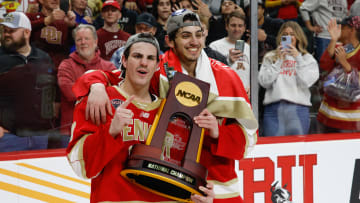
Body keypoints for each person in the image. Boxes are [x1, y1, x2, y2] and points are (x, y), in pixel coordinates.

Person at [72, 9, 258, 202]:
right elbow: (118, 77)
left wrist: (217, 132)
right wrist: (95, 86)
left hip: (217, 190)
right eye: (185, 35)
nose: (194, 42)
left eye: (198, 35)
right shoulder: (156, 69)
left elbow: (250, 138)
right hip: (168, 186)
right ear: (169, 41)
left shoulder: (229, 78)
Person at [66, 32, 214, 203]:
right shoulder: (99, 101)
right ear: (124, 61)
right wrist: (111, 131)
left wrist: (197, 196)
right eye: (137, 56)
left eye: (150, 58)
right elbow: (81, 168)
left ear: (157, 65)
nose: (144, 62)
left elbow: (177, 176)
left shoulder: (172, 113)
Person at [0, 12, 57, 152]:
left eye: (12, 31)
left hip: (40, 136)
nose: (6, 34)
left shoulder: (44, 58)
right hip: (8, 137)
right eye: (4, 31)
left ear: (26, 32)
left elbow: (51, 93)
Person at [258, 21, 319, 137]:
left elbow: (306, 82)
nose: (288, 37)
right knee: (273, 148)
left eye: (292, 34)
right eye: (285, 34)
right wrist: (279, 61)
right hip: (273, 109)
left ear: (298, 37)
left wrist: (298, 58)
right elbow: (264, 82)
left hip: (298, 109)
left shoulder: (307, 58)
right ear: (280, 37)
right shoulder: (270, 57)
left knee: (298, 149)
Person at [57, 24, 116, 138]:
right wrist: (98, 91)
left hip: (102, 131)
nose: (83, 42)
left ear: (95, 41)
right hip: (71, 132)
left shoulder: (109, 67)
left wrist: (81, 87)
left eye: (87, 38)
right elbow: (70, 93)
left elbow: (115, 95)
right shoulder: (66, 65)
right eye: (79, 39)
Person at [317, 16, 360, 132]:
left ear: (352, 30)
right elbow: (324, 65)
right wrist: (333, 39)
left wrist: (345, 64)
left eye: (343, 27)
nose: (339, 29)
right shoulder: (337, 46)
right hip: (328, 114)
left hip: (351, 119)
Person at [26, 0, 77, 69]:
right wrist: (45, 21)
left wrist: (72, 26)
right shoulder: (31, 18)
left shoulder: (65, 21)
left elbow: (77, 42)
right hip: (35, 67)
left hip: (60, 68)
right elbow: (23, 32)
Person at [209, 11, 250, 95]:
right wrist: (228, 61)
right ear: (226, 26)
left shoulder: (248, 47)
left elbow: (252, 73)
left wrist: (251, 87)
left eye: (240, 26)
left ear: (244, 28)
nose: (237, 29)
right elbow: (211, 73)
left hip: (244, 95)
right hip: (224, 95)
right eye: (233, 25)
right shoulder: (215, 46)